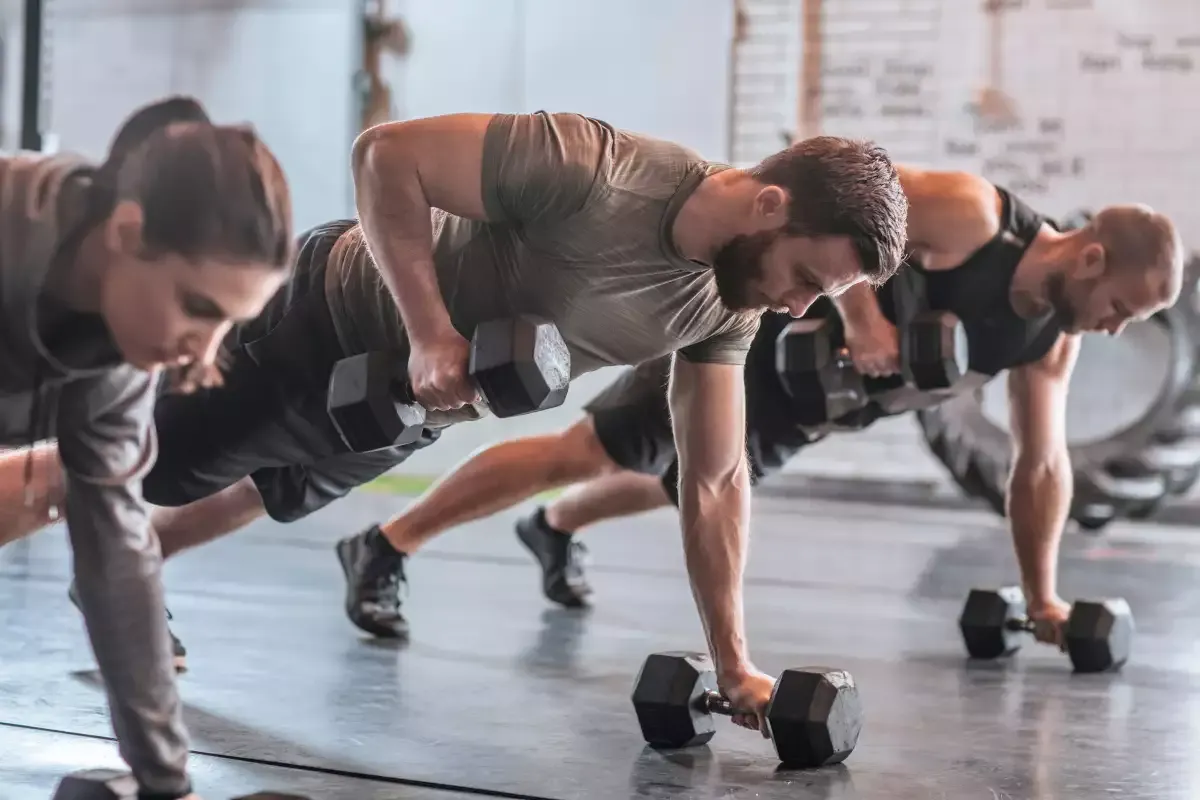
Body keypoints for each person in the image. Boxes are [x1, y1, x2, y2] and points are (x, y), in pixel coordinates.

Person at [0, 110, 909, 737]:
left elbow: (713, 479)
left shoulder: (728, 306)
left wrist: (735, 663)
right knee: (115, 470)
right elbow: (384, 154)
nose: (799, 310)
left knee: (269, 490)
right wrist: (433, 331)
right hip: (326, 327)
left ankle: (128, 571)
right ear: (769, 205)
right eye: (806, 279)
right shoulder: (594, 167)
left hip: (406, 404)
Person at [323, 166, 1184, 649]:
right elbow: (851, 225)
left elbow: (1040, 465)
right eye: (1123, 309)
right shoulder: (975, 214)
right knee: (588, 450)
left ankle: (552, 530)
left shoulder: (1050, 339)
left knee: (675, 486)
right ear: (1093, 257)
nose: (1115, 331)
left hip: (823, 404)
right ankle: (386, 542)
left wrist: (1044, 598)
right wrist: (866, 317)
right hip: (764, 341)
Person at [0, 96, 294, 799]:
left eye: (229, 324)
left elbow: (118, 561)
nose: (205, 354)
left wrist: (166, 784)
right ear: (126, 232)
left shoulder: (121, 365)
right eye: (198, 307)